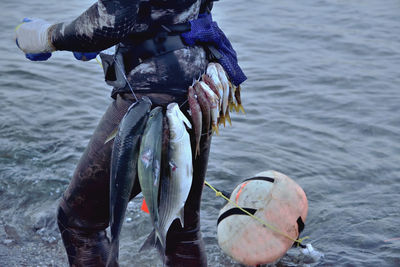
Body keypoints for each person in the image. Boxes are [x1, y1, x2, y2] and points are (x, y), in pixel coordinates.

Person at [15, 0, 246, 266]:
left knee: (78, 222)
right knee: (180, 229)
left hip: (154, 93)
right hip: (198, 82)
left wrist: (48, 36)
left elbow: (110, 23)